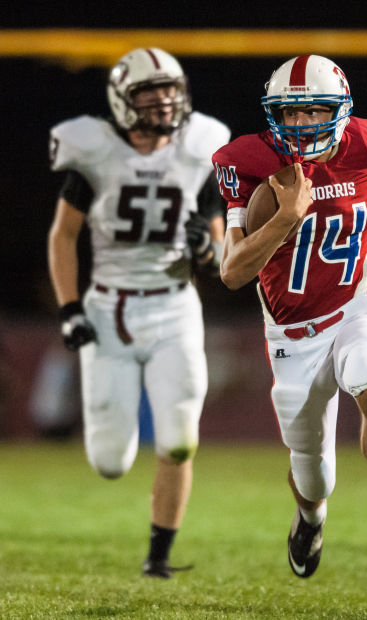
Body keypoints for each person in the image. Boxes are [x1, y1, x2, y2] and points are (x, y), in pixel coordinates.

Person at [213, 55, 367, 578]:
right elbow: (232, 271)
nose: (299, 125)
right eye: (288, 115)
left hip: (353, 304)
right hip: (292, 333)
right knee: (314, 475)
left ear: (339, 110)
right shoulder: (247, 160)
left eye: (313, 111)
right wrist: (287, 216)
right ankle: (310, 517)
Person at [48, 47, 230, 578]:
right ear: (123, 102)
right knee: (110, 463)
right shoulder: (96, 152)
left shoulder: (200, 150)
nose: (165, 103)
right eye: (151, 95)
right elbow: (63, 235)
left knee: (179, 440)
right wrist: (68, 307)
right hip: (110, 310)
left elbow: (219, 261)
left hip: (174, 308)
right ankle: (149, 535)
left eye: (171, 91)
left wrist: (206, 251)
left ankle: (159, 557)